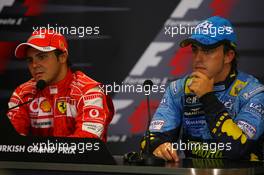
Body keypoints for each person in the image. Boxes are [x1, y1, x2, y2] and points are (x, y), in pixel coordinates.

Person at [141, 16, 264, 161]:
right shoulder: (178, 89)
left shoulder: (253, 92)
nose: (197, 58)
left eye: (207, 51)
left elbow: (239, 149)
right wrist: (158, 147)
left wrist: (207, 97)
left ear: (228, 56)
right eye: (195, 50)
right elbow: (150, 140)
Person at [6, 29, 114, 142]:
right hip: (36, 159)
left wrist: (42, 151)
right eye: (30, 60)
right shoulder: (23, 94)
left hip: (79, 160)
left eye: (42, 57)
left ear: (62, 57)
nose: (34, 65)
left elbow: (87, 143)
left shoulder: (89, 92)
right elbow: (9, 141)